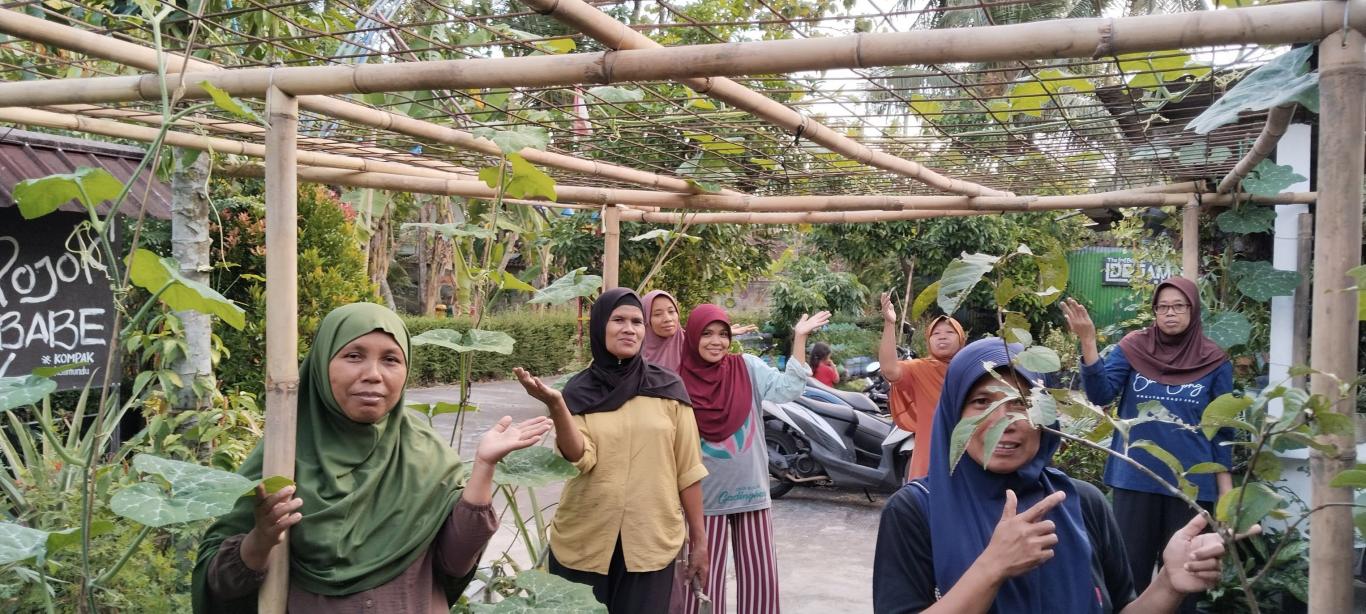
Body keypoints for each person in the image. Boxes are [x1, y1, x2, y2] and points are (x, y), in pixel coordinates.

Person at [192, 303, 551, 613]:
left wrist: (484, 468)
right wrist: (260, 539)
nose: (373, 375)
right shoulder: (281, 458)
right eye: (353, 356)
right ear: (321, 364)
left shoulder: (427, 457)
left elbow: (454, 564)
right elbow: (219, 583)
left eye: (391, 360)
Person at [872, 338, 1244, 614]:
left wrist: (1168, 584)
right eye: (982, 402)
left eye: (1023, 403)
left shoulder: (1083, 503)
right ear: (953, 414)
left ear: (1046, 418)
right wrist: (991, 568)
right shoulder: (917, 510)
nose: (1004, 422)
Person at [514, 288, 708, 613]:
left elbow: (688, 470)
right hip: (585, 540)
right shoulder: (578, 391)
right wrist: (557, 406)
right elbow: (580, 459)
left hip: (650, 542)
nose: (628, 329)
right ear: (600, 325)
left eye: (636, 321)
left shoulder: (668, 389)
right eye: (618, 320)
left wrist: (700, 541)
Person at [1062, 278, 1234, 612]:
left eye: (1179, 306)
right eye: (1163, 307)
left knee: (1187, 577)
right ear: (1154, 310)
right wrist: (1088, 341)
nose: (1170, 313)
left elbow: (1222, 431)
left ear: (1193, 310)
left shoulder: (1215, 360)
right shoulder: (1134, 347)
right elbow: (1101, 395)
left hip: (1193, 487)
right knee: (1130, 575)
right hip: (1135, 478)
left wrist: (1226, 495)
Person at [678, 304, 831, 614]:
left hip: (750, 492)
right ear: (692, 336)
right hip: (704, 499)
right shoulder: (677, 379)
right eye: (706, 334)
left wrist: (799, 338)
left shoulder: (746, 367)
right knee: (702, 583)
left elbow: (787, 389)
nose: (716, 342)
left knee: (760, 583)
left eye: (722, 334)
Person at [878, 292, 966, 481]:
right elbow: (889, 369)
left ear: (961, 339)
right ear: (929, 340)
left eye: (950, 332)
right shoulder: (920, 369)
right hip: (929, 457)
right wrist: (889, 324)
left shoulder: (973, 370)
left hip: (968, 456)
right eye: (936, 333)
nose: (942, 337)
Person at [643, 289, 687, 372]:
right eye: (657, 314)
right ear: (646, 319)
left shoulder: (693, 348)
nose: (668, 319)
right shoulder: (633, 354)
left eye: (671, 311)